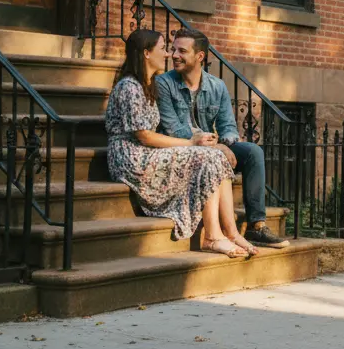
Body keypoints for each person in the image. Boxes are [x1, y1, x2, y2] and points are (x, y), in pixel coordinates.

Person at [105, 29, 258, 257]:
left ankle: (231, 232)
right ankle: (212, 237)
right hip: (131, 157)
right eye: (163, 49)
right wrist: (191, 143)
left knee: (216, 156)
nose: (168, 55)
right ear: (147, 53)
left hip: (146, 151)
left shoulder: (148, 83)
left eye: (174, 50)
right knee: (206, 155)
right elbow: (144, 136)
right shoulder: (130, 87)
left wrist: (203, 144)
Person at [155, 28, 289, 249]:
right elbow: (173, 129)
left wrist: (225, 144)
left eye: (182, 51)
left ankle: (257, 226)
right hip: (184, 148)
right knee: (218, 152)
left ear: (200, 56)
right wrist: (216, 146)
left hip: (211, 146)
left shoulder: (217, 86)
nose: (175, 55)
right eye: (173, 49)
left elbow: (228, 126)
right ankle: (222, 233)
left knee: (254, 152)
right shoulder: (164, 84)